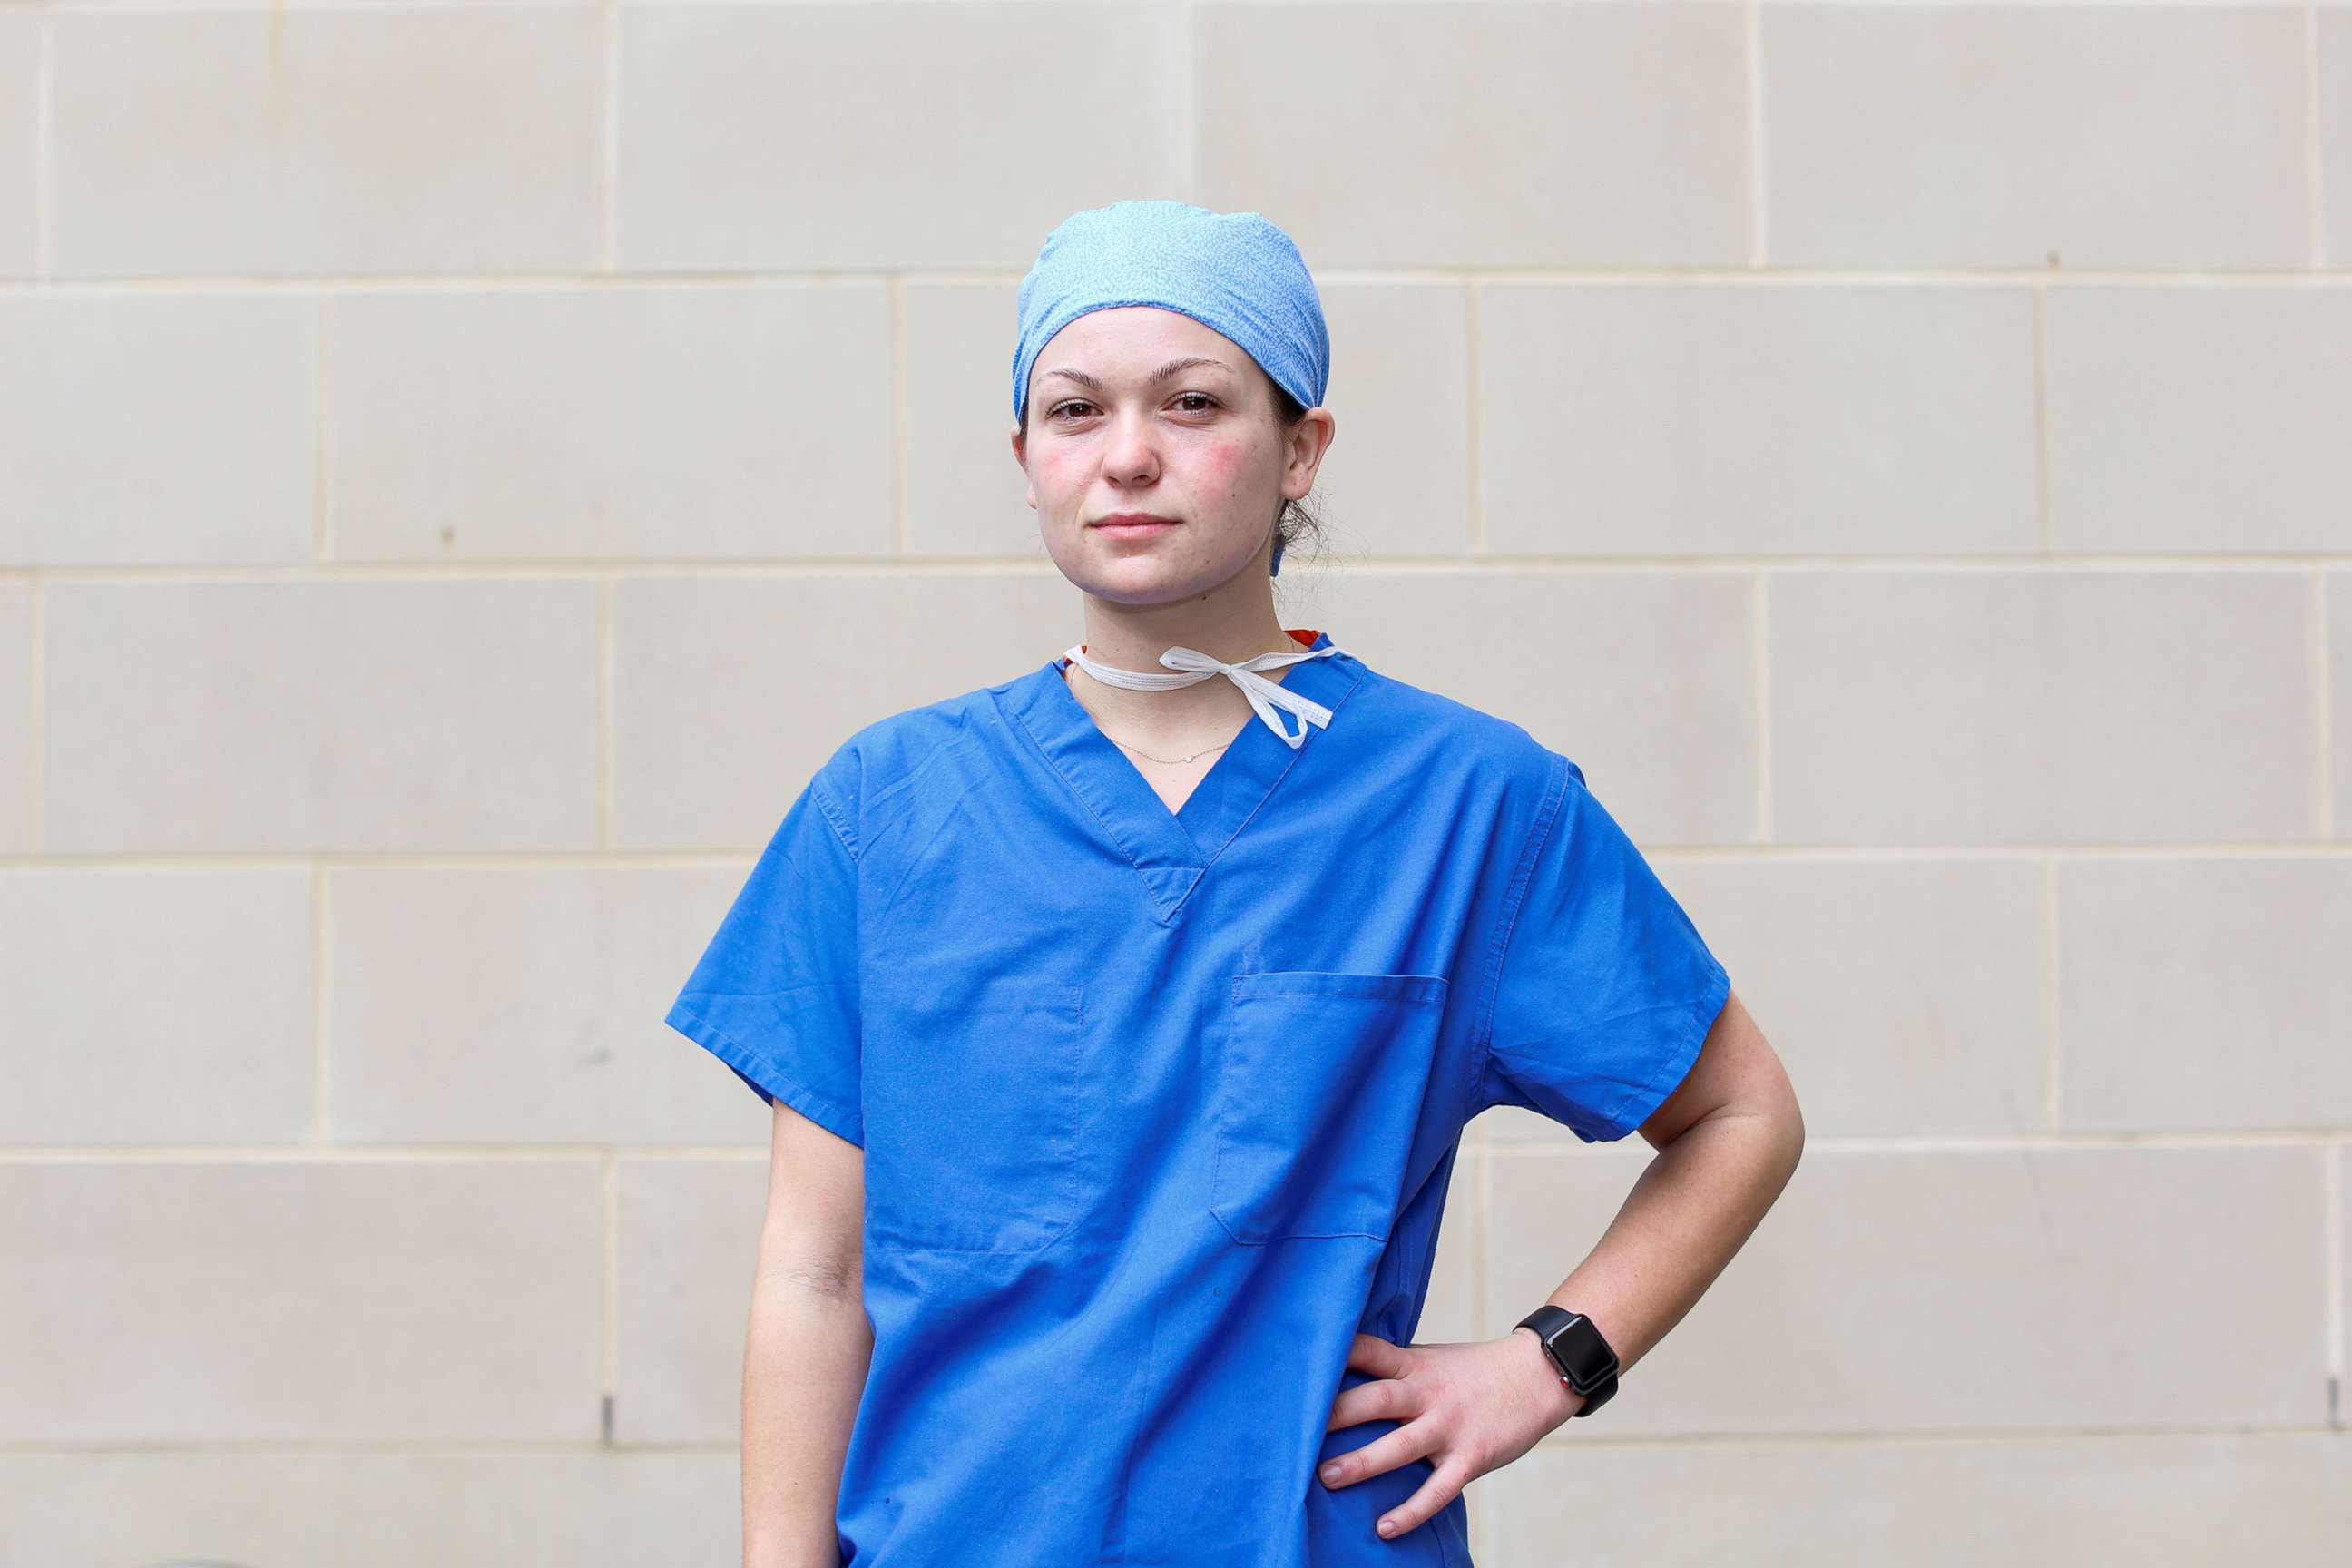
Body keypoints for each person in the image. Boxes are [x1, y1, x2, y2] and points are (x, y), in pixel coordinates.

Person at [665, 199, 1806, 1568]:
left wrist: (1545, 1364)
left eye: (1193, 403)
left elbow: (1741, 1114)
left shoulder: (1466, 804)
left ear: (1299, 451)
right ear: (1026, 457)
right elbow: (815, 1271)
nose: (1129, 456)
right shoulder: (889, 807)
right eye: (1075, 411)